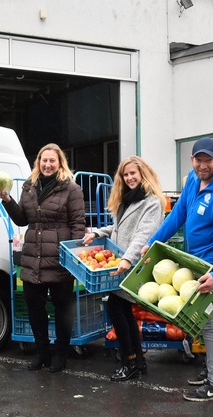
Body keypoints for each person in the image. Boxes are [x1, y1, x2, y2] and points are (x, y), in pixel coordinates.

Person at [143, 137, 213, 401]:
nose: (202, 165)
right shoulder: (192, 178)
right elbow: (178, 215)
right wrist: (152, 243)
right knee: (204, 320)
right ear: (192, 160)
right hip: (195, 260)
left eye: (208, 160)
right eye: (198, 159)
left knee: (209, 321)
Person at [0, 143, 85, 373]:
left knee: (62, 308)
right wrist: (7, 200)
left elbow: (78, 224)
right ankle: (42, 353)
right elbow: (23, 219)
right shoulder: (29, 186)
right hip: (34, 256)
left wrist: (74, 256)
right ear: (38, 162)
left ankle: (61, 354)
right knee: (35, 308)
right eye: (44, 160)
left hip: (60, 257)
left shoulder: (71, 189)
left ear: (60, 162)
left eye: (52, 160)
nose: (48, 164)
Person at [82, 156, 166, 381]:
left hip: (134, 265)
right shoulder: (127, 200)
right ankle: (137, 362)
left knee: (116, 309)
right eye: (125, 174)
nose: (129, 178)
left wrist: (127, 259)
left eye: (133, 174)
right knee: (123, 311)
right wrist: (99, 233)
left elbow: (143, 234)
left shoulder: (151, 202)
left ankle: (130, 361)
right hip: (122, 264)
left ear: (143, 174)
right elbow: (119, 228)